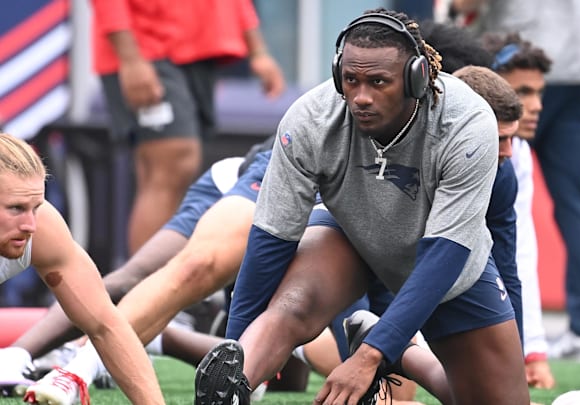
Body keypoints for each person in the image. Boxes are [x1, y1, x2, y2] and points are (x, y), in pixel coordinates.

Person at [195, 8, 529, 405]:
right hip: (349, 236)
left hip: (444, 261)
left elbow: (447, 251)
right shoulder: (311, 119)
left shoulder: (467, 123)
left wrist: (374, 354)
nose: (361, 97)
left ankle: (402, 354)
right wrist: (235, 350)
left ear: (416, 79)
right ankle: (234, 387)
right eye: (350, 80)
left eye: (378, 82)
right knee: (293, 305)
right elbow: (271, 239)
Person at [451, 0, 580, 364]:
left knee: (502, 197)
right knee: (575, 202)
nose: (536, 105)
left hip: (516, 59)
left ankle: (509, 338)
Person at [91, 0, 285, 255]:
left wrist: (258, 50)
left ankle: (159, 281)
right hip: (145, 49)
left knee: (171, 171)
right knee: (173, 162)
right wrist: (131, 60)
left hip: (198, 50)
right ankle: (142, 283)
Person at [0, 133, 165, 405]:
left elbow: (104, 326)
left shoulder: (44, 228)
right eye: (16, 208)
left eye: (36, 207)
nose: (30, 224)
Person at [481, 31, 556, 388]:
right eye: (523, 92)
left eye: (539, 92)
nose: (537, 105)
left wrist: (530, 351)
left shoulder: (516, 154)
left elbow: (519, 252)